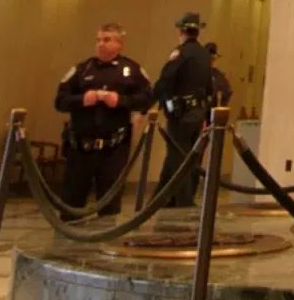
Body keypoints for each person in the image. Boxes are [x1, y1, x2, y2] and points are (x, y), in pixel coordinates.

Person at [54, 23, 152, 215]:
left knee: (109, 205)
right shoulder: (82, 69)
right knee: (71, 204)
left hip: (113, 149)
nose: (100, 44)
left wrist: (121, 101)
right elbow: (60, 101)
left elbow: (147, 98)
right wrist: (83, 99)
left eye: (106, 40)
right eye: (98, 40)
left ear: (119, 44)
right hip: (80, 147)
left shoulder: (131, 70)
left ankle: (104, 243)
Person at [153, 11, 214, 207]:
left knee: (179, 157)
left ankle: (182, 202)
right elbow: (208, 87)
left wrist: (148, 105)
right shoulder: (205, 55)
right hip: (198, 112)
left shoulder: (181, 53)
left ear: (181, 31)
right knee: (184, 155)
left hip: (181, 113)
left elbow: (166, 80)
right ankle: (163, 198)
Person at [205, 42, 232, 108]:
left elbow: (228, 91)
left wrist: (222, 106)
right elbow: (228, 91)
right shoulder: (217, 74)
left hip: (209, 110)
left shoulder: (217, 74)